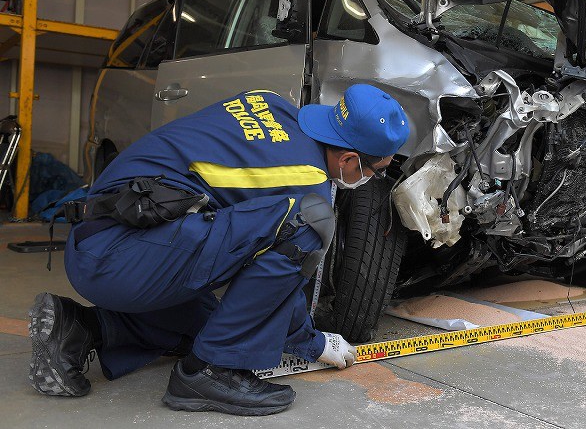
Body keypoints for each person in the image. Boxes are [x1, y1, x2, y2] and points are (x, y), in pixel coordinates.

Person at [28, 84, 409, 416]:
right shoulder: (304, 176)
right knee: (309, 223)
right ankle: (212, 373)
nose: (372, 177)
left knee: (222, 328)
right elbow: (284, 276)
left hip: (101, 239)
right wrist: (311, 341)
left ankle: (82, 327)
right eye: (376, 169)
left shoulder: (269, 102)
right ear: (348, 159)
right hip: (119, 261)